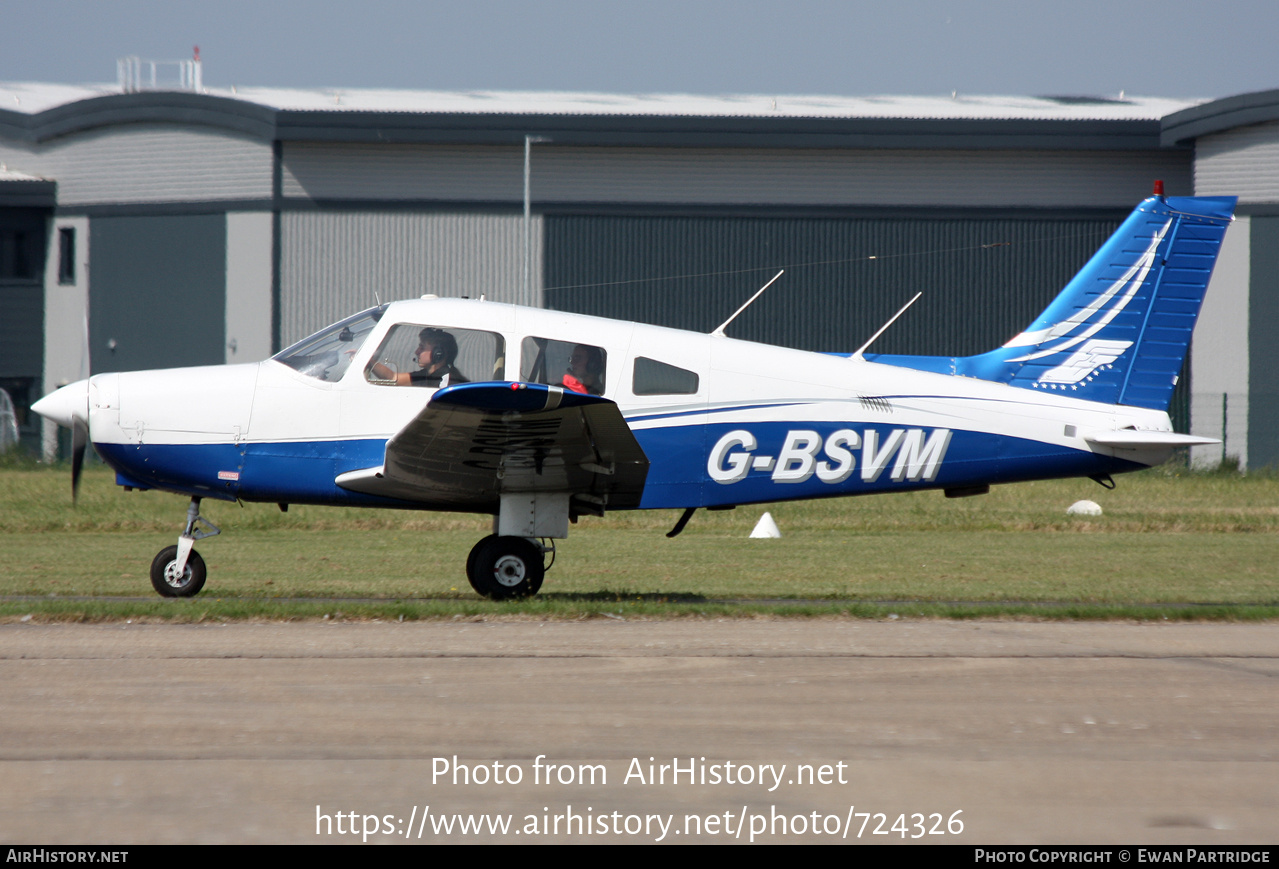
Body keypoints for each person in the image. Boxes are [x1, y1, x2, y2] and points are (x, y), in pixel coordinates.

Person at [369, 328, 469, 387]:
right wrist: (369, 362)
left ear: (438, 353)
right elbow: (392, 378)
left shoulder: (448, 382)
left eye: (422, 347)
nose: (417, 352)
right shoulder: (426, 375)